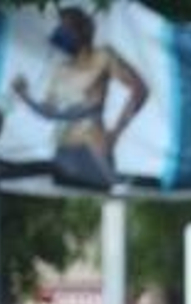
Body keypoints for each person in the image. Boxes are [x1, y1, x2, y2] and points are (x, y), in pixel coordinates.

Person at [10, 6, 148, 190]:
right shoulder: (61, 70)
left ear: (80, 31)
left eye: (65, 28)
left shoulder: (103, 57)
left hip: (93, 148)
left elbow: (139, 90)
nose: (61, 33)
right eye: (60, 28)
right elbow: (49, 113)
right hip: (64, 153)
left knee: (111, 204)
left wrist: (116, 132)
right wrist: (25, 95)